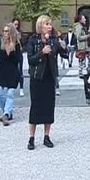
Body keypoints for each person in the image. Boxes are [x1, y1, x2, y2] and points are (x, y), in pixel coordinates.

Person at [26, 15, 67, 150]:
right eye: (46, 24)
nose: (49, 26)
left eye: (50, 24)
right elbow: (30, 60)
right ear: (40, 26)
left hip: (49, 77)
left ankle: (46, 136)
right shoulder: (33, 40)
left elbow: (64, 54)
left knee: (49, 106)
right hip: (37, 77)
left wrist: (62, 45)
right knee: (36, 106)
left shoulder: (54, 40)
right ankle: (31, 137)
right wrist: (41, 52)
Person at [0, 23, 21, 126]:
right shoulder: (0, 45)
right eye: (4, 31)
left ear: (11, 33)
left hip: (13, 73)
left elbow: (17, 60)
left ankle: (5, 114)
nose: (5, 33)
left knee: (10, 94)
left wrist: (11, 50)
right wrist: (6, 50)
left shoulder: (16, 45)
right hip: (2, 73)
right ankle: (8, 112)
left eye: (7, 31)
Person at [12, 18, 26, 97]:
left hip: (19, 53)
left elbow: (23, 43)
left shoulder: (20, 33)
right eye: (15, 24)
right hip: (12, 53)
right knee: (12, 71)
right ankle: (12, 88)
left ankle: (21, 89)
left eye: (17, 24)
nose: (16, 26)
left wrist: (19, 37)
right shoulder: (9, 32)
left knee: (20, 71)